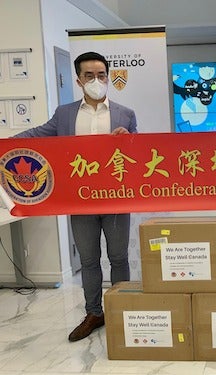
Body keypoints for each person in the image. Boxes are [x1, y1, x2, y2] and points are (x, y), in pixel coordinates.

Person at [13, 51, 138, 342]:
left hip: (116, 198)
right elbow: (37, 134)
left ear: (109, 77)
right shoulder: (65, 114)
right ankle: (94, 313)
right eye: (90, 76)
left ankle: (121, 311)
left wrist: (129, 139)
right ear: (79, 80)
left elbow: (138, 155)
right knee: (89, 259)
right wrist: (7, 143)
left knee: (118, 257)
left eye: (102, 75)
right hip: (79, 200)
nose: (97, 81)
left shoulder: (125, 113)